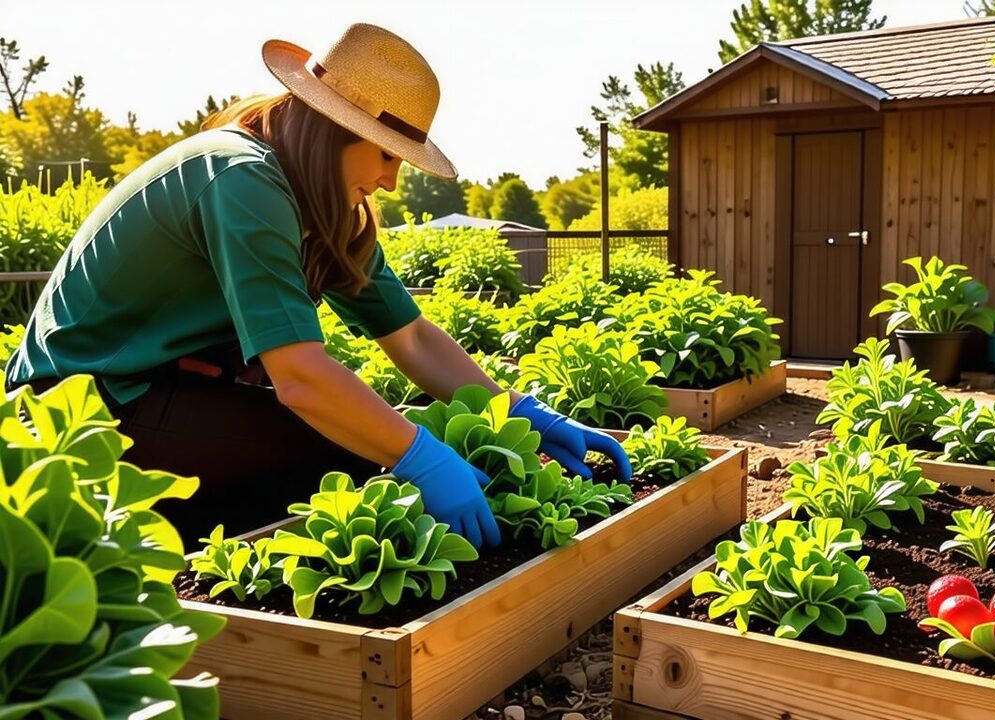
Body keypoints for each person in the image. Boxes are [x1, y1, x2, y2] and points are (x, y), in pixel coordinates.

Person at [2, 23, 630, 549]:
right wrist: (420, 459)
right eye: (384, 154)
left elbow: (409, 337)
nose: (390, 181)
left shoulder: (315, 202)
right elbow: (301, 379)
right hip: (81, 410)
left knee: (391, 438)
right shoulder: (241, 179)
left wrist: (517, 409)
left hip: (159, 392)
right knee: (362, 458)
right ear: (334, 129)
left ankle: (189, 530)